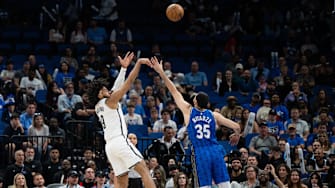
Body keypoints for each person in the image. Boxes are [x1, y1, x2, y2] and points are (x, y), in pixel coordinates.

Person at [150, 57, 240, 187]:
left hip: (200, 151)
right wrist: (236, 134)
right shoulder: (214, 115)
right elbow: (236, 126)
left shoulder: (188, 112)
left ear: (195, 102)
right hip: (215, 150)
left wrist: (161, 72)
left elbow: (173, 90)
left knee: (204, 185)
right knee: (225, 184)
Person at [87, 52, 155, 188]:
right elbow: (127, 84)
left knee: (122, 179)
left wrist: (123, 68)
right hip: (120, 140)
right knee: (144, 169)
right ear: (99, 93)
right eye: (103, 89)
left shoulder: (98, 106)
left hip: (110, 147)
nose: (106, 89)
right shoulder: (109, 101)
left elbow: (116, 87)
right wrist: (139, 63)